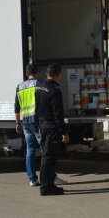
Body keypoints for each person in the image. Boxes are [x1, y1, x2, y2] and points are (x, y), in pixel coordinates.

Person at [36, 63, 70, 196]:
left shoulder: (40, 88)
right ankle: (46, 187)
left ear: (47, 73)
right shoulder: (55, 91)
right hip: (52, 128)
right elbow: (58, 114)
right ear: (58, 75)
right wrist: (64, 132)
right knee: (49, 158)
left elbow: (37, 109)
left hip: (43, 125)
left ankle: (49, 184)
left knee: (47, 156)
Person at [15, 64, 43, 187]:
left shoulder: (19, 87)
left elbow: (16, 108)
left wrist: (17, 123)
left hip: (25, 121)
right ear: (37, 73)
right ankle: (49, 176)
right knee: (45, 150)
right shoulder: (39, 84)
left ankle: (32, 179)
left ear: (27, 74)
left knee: (30, 151)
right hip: (37, 121)